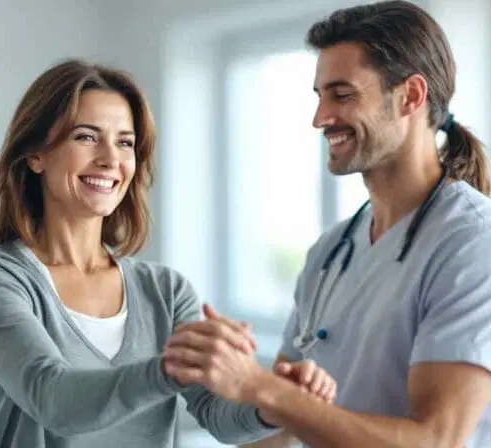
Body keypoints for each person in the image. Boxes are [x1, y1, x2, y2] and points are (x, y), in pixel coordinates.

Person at [0, 59, 336, 448]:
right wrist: (172, 369)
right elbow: (53, 399)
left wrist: (274, 403)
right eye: (86, 137)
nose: (110, 159)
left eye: (125, 142)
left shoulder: (165, 291)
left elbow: (219, 417)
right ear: (36, 154)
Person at [162, 1, 491, 447]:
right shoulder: (330, 252)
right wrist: (230, 377)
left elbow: (436, 440)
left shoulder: (472, 241)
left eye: (342, 95)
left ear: (411, 96)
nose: (320, 119)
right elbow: (286, 429)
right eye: (319, 97)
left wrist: (259, 386)